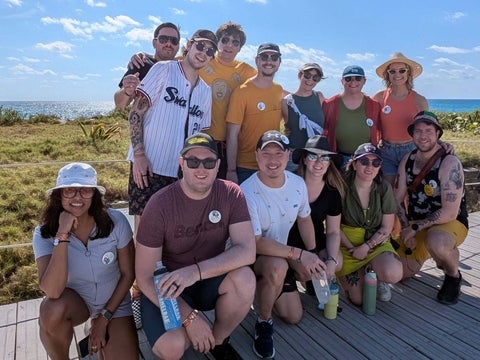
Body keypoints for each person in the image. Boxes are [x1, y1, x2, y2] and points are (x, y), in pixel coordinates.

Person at [135, 133, 256, 359]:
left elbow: (247, 250)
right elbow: (144, 277)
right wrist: (189, 318)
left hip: (206, 279)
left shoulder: (231, 193)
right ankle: (193, 331)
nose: (201, 168)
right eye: (193, 161)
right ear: (182, 164)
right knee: (172, 348)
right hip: (166, 285)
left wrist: (195, 272)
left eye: (209, 162)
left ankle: (217, 342)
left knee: (245, 279)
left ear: (218, 165)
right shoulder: (159, 204)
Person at [32, 163, 138, 359]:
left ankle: (100, 327)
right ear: (59, 195)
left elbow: (128, 274)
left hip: (115, 302)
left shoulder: (116, 222)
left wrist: (104, 318)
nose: (77, 197)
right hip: (78, 301)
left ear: (95, 195)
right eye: (70, 190)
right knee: (50, 310)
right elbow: (52, 291)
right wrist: (62, 235)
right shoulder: (44, 232)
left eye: (85, 190)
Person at [240, 130, 326, 359]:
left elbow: (305, 218)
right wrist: (298, 254)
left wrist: (312, 254)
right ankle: (263, 321)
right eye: (266, 153)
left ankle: (266, 289)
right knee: (278, 267)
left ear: (287, 155)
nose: (272, 160)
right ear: (257, 156)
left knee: (294, 315)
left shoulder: (297, 183)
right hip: (250, 257)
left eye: (279, 153)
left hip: (281, 254)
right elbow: (256, 243)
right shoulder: (246, 191)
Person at [127, 29, 217, 237]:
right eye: (200, 45)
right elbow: (135, 113)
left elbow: (200, 136)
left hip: (182, 173)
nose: (203, 52)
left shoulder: (205, 91)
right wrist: (139, 155)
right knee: (144, 231)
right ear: (189, 45)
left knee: (172, 231)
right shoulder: (163, 69)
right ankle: (142, 271)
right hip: (149, 167)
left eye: (210, 50)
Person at [394, 111, 469, 305]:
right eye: (418, 131)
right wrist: (405, 229)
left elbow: (449, 212)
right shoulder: (407, 160)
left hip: (449, 222)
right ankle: (432, 253)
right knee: (398, 273)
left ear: (438, 134)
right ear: (412, 135)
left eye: (429, 130)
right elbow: (397, 199)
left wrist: (415, 228)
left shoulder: (449, 162)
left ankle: (453, 275)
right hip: (415, 222)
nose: (423, 135)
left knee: (437, 241)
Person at [337, 144, 403, 305]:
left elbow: (387, 227)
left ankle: (375, 272)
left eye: (375, 163)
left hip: (375, 242)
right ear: (354, 164)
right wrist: (353, 249)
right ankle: (363, 272)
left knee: (393, 273)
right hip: (346, 244)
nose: (370, 167)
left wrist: (366, 246)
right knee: (359, 300)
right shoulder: (341, 186)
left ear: (380, 166)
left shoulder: (383, 188)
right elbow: (333, 226)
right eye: (364, 161)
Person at [200, 21, 257, 179]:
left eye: (235, 42)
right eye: (225, 40)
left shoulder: (246, 71)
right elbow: (171, 62)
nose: (229, 45)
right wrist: (142, 57)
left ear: (240, 48)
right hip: (201, 139)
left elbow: (268, 87)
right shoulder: (203, 60)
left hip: (230, 145)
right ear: (217, 42)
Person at [287, 135, 345, 290]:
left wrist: (331, 261)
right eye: (313, 156)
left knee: (337, 261)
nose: (319, 162)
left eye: (325, 158)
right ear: (305, 159)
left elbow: (333, 231)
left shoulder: (332, 192)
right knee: (305, 272)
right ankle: (292, 276)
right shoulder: (289, 183)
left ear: (329, 163)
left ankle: (316, 279)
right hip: (289, 245)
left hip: (316, 244)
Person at [226, 43, 287, 184]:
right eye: (264, 56)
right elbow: (232, 135)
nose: (269, 61)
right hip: (246, 168)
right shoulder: (242, 92)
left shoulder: (278, 90)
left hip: (272, 166)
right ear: (257, 61)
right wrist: (231, 170)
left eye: (274, 57)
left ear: (279, 62)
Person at [373, 52, 429, 185]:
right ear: (388, 74)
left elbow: (429, 129)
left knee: (409, 191)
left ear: (408, 73)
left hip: (410, 150)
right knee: (389, 190)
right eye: (392, 71)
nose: (397, 74)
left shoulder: (420, 101)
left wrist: (442, 145)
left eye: (402, 70)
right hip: (386, 151)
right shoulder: (379, 97)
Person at [323, 65, 382, 168]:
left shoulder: (374, 105)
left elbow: (381, 131)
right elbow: (322, 130)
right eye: (348, 78)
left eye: (358, 78)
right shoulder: (329, 104)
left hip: (366, 161)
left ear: (364, 81)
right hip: (338, 159)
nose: (353, 82)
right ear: (342, 81)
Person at [114, 22, 180, 109]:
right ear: (154, 43)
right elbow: (120, 104)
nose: (168, 44)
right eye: (163, 39)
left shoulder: (184, 69)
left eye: (174, 40)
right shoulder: (141, 63)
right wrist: (127, 92)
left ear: (178, 45)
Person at [282, 63, 326, 172]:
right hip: (294, 156)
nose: (310, 80)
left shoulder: (319, 97)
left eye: (315, 78)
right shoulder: (286, 101)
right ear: (300, 75)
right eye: (307, 75)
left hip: (316, 154)